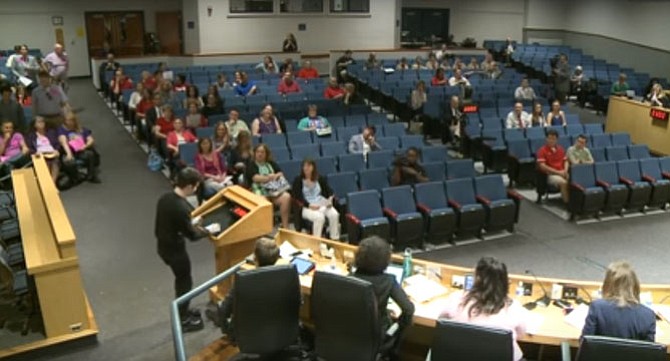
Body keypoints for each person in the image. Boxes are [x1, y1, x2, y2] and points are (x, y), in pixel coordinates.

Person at [438, 257, 529, 361]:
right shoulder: (513, 308)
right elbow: (521, 335)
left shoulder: (456, 299)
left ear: (476, 278)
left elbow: (441, 320)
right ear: (505, 282)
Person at [155, 167, 212, 333]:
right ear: (190, 186)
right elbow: (193, 236)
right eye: (195, 187)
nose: (195, 190)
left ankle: (183, 310)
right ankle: (183, 318)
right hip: (175, 251)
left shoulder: (166, 198)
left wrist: (191, 221)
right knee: (184, 281)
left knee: (182, 280)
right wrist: (209, 230)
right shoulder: (181, 207)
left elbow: (178, 223)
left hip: (163, 246)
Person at [352, 236, 414, 361]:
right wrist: (397, 325)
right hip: (377, 337)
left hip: (350, 335)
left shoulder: (350, 278)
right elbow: (409, 310)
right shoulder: (388, 281)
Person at [209, 237, 280, 334]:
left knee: (221, 308)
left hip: (248, 335)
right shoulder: (286, 278)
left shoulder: (243, 281)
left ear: (255, 258)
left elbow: (225, 309)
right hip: (277, 332)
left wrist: (226, 330)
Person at [582, 261, 656, 342]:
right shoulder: (648, 315)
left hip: (600, 354)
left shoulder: (597, 307)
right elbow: (649, 351)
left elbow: (584, 342)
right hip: (632, 355)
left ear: (607, 283)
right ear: (635, 285)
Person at [245, 144, 291, 229]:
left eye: (262, 152)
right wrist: (270, 177)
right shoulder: (251, 165)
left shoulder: (271, 163)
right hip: (259, 190)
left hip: (273, 191)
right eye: (258, 152)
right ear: (255, 153)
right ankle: (265, 228)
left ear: (266, 154)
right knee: (263, 201)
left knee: (286, 197)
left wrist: (275, 176)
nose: (260, 154)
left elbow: (280, 173)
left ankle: (285, 226)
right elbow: (256, 178)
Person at [291, 159, 340, 239]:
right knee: (319, 217)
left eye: (309, 166)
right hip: (306, 207)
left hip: (320, 203)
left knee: (334, 214)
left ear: (313, 167)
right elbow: (297, 197)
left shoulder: (319, 178)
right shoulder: (298, 180)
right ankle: (316, 241)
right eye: (304, 166)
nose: (306, 168)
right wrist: (309, 205)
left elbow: (330, 191)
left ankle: (334, 239)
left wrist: (329, 200)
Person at [58, 112, 101, 184]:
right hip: (69, 151)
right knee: (68, 161)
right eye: (67, 120)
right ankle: (76, 177)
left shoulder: (81, 129)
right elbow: (63, 142)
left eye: (71, 120)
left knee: (90, 154)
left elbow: (90, 139)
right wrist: (69, 153)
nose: (69, 122)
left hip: (81, 150)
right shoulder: (62, 130)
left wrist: (85, 146)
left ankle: (91, 175)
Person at [536, 129, 569, 203]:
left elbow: (566, 161)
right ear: (546, 139)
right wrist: (558, 172)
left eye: (553, 139)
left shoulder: (560, 149)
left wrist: (565, 171)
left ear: (557, 140)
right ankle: (567, 203)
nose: (551, 141)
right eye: (549, 138)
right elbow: (542, 166)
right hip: (550, 175)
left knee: (574, 180)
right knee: (564, 183)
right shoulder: (542, 150)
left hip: (562, 172)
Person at [26, 116, 60, 183]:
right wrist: (35, 152)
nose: (42, 123)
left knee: (55, 162)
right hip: (40, 155)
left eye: (42, 121)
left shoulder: (51, 132)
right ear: (34, 125)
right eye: (39, 122)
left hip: (51, 153)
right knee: (45, 163)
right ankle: (47, 184)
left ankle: (52, 183)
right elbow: (29, 148)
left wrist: (56, 150)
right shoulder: (31, 135)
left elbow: (57, 144)